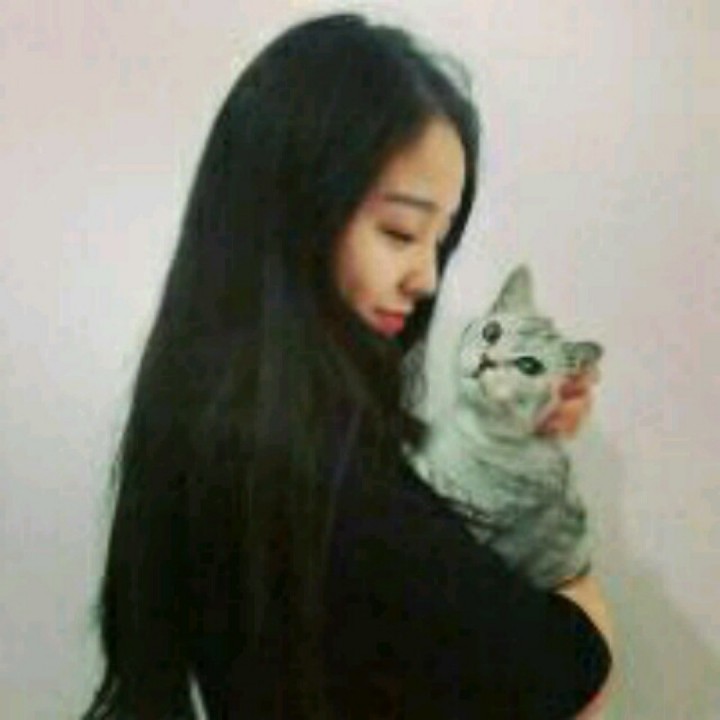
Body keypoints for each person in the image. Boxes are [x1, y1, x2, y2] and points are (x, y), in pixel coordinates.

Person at [82, 13, 613, 720]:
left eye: (440, 240)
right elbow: (575, 676)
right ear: (294, 210)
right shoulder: (332, 493)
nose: (426, 277)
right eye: (400, 231)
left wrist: (525, 442)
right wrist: (567, 550)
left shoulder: (200, 415)